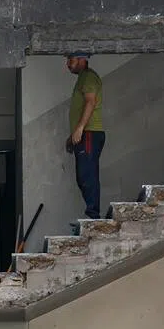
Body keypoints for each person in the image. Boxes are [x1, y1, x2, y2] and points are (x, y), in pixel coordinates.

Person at [65, 52, 105, 220]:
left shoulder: (88, 77)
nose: (68, 63)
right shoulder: (82, 78)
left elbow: (90, 101)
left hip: (89, 133)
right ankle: (92, 213)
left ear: (83, 59)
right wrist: (73, 135)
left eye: (71, 59)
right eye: (67, 60)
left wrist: (80, 128)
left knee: (87, 174)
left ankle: (93, 215)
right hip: (84, 134)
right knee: (83, 176)